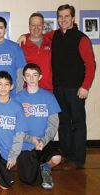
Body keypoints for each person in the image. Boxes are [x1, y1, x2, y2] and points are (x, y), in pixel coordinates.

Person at [51, 4, 96, 170]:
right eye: (60, 17)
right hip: (59, 88)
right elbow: (37, 35)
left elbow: (91, 64)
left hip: (76, 89)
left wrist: (85, 86)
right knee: (63, 123)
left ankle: (77, 159)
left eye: (66, 16)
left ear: (72, 18)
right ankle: (67, 155)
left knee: (77, 123)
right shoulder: (54, 36)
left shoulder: (81, 38)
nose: (63, 20)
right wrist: (23, 36)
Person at [15, 63, 61, 190]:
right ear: (23, 78)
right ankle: (32, 167)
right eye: (28, 75)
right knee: (29, 180)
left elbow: (53, 124)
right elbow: (15, 127)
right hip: (26, 144)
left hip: (44, 142)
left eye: (34, 75)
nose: (31, 78)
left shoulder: (49, 97)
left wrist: (44, 140)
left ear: (40, 77)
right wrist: (31, 139)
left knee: (56, 158)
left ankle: (45, 168)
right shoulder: (17, 98)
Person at [20, 13, 53, 92]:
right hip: (28, 90)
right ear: (29, 26)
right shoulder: (21, 45)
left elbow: (64, 30)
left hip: (48, 90)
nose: (36, 28)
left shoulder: (51, 42)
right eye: (33, 25)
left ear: (43, 26)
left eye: (39, 25)